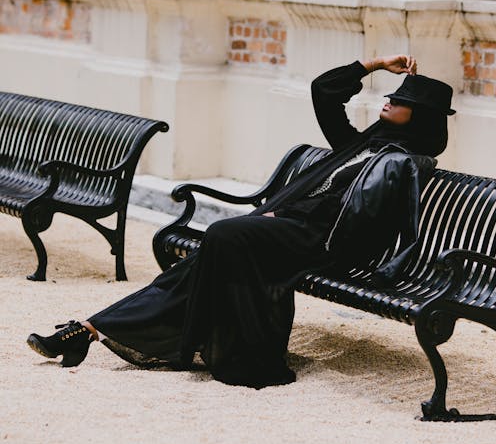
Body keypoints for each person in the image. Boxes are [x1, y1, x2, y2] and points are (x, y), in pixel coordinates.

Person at [27, 55, 455, 388]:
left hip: (321, 243)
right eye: (392, 93)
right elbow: (324, 91)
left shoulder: (405, 164)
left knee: (221, 233)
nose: (389, 99)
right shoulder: (362, 143)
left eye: (400, 100)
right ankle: (89, 330)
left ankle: (101, 332)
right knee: (200, 261)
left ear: (418, 115)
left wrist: (280, 215)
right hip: (292, 230)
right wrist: (374, 64)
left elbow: (355, 221)